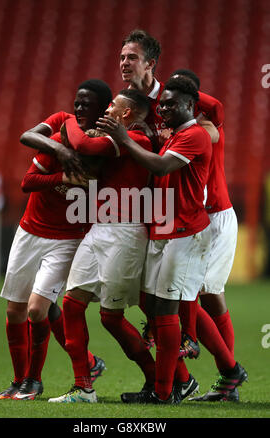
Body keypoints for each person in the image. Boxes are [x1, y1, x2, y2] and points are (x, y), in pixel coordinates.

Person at [97, 75, 247, 404]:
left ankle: (195, 376)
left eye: (171, 103)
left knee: (187, 302)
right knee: (158, 307)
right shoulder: (176, 134)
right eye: (161, 103)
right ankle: (180, 380)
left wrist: (125, 138)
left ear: (191, 106)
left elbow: (162, 167)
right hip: (166, 229)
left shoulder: (197, 133)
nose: (163, 107)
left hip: (190, 230)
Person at [0, 79, 112, 401]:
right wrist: (60, 160)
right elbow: (27, 181)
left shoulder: (107, 148)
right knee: (15, 311)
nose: (78, 108)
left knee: (36, 309)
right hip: (30, 230)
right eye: (77, 102)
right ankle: (19, 382)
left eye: (86, 104)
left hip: (67, 239)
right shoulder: (60, 127)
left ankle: (34, 381)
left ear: (102, 111)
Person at [46, 88, 156, 404]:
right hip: (99, 228)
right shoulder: (119, 138)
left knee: (111, 316)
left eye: (112, 106)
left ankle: (164, 378)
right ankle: (84, 388)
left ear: (127, 114)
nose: (106, 109)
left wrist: (67, 119)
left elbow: (82, 144)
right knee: (72, 303)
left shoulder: (137, 140)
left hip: (125, 234)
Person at [170, 69, 247, 402]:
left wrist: (170, 87)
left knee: (200, 291)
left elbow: (214, 105)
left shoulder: (210, 125)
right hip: (191, 219)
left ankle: (227, 376)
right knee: (210, 296)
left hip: (217, 218)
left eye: (179, 94)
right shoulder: (175, 129)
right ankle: (226, 378)